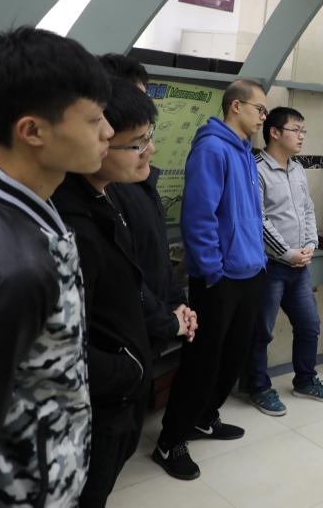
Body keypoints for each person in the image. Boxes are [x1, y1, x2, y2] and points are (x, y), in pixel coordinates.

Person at [0, 27, 112, 506]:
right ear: (32, 131)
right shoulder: (14, 266)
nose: (108, 132)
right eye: (93, 119)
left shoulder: (17, 209)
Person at [152, 79, 267, 481]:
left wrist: (257, 262)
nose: (263, 117)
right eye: (259, 109)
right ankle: (170, 440)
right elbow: (199, 218)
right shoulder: (212, 148)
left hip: (249, 272)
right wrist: (213, 272)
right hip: (219, 279)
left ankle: (204, 418)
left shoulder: (245, 152)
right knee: (202, 362)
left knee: (233, 356)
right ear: (236, 106)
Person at [52, 79, 158, 506]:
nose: (149, 150)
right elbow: (64, 346)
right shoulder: (70, 227)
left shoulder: (110, 198)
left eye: (148, 138)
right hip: (98, 405)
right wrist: (127, 372)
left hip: (120, 397)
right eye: (136, 143)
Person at [98, 54, 197, 351]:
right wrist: (166, 320)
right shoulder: (100, 196)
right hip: (125, 341)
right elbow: (123, 280)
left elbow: (158, 256)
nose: (149, 148)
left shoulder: (140, 180)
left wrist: (178, 304)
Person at [246, 106, 323, 415]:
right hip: (271, 267)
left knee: (309, 325)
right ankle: (258, 387)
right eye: (295, 130)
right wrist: (287, 253)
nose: (301, 136)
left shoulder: (297, 168)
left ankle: (305, 380)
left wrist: (310, 245)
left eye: (303, 131)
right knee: (262, 331)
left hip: (300, 266)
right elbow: (258, 220)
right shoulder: (256, 168)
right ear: (274, 132)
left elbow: (308, 209)